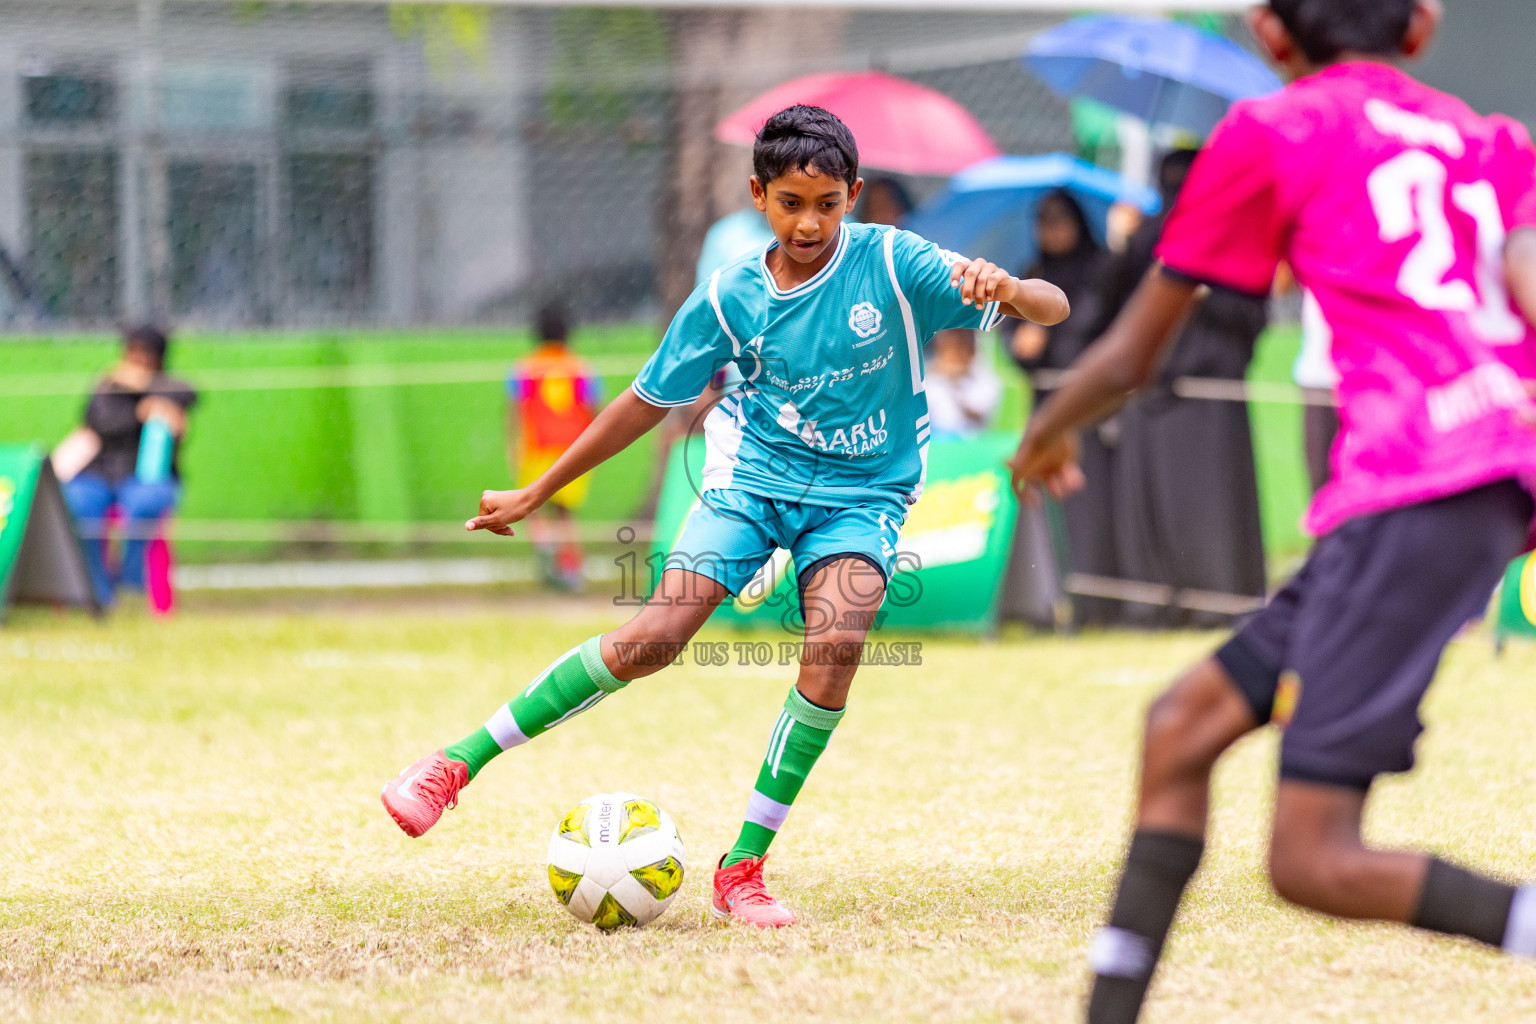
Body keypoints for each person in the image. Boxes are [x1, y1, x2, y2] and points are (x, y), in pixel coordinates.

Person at [382, 104, 1068, 927]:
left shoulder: (895, 262)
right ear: (758, 196)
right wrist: (536, 491)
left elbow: (1052, 307)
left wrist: (1014, 289)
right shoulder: (729, 296)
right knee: (651, 642)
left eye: (827, 202)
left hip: (862, 497)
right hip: (751, 485)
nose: (809, 221)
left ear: (852, 195)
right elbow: (642, 401)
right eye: (790, 202)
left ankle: (742, 866)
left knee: (838, 641)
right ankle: (455, 764)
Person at [1008, 2, 1536, 1020]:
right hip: (1461, 478)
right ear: (1420, 26)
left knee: (1311, 859)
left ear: (1269, 32)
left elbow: (1131, 352)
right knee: (1181, 728)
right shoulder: (1488, 139)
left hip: (1420, 486)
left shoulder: (1273, 131)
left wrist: (1049, 431)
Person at [1098, 149, 1270, 628]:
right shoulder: (1147, 239)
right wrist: (1122, 248)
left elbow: (1251, 313)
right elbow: (1110, 308)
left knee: (1211, 502)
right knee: (1152, 503)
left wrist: (1205, 293)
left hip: (1209, 393)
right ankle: (1157, 602)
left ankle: (1218, 600)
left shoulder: (1231, 235)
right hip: (1151, 393)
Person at [1011, 190, 1119, 626]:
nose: (1051, 229)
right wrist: (1023, 347)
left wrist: (1050, 339)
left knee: (1093, 505)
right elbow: (1015, 339)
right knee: (1050, 506)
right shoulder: (1032, 274)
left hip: (1091, 408)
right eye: (1043, 219)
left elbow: (1099, 329)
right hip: (1046, 410)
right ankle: (1053, 603)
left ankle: (1099, 603)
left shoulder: (1099, 269)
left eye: (1060, 218)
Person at [62, 325, 197, 608]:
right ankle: (98, 591)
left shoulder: (170, 387)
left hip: (146, 477)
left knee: (145, 503)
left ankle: (132, 581)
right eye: (133, 353)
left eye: (146, 355)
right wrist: (140, 412)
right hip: (99, 474)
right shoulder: (108, 387)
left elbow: (190, 394)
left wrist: (144, 389)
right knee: (78, 504)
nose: (138, 361)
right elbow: (97, 420)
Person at [506, 303, 602, 591]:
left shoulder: (525, 368)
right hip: (573, 449)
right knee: (565, 512)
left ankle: (545, 551)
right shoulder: (581, 367)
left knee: (532, 506)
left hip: (537, 448)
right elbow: (594, 409)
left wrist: (514, 448)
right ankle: (570, 570)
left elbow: (516, 411)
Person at [925, 328, 1002, 440]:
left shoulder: (985, 381)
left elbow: (980, 414)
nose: (954, 359)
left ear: (971, 353)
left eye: (959, 353)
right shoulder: (930, 382)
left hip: (972, 444)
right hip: (938, 445)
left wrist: (954, 386)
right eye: (949, 353)